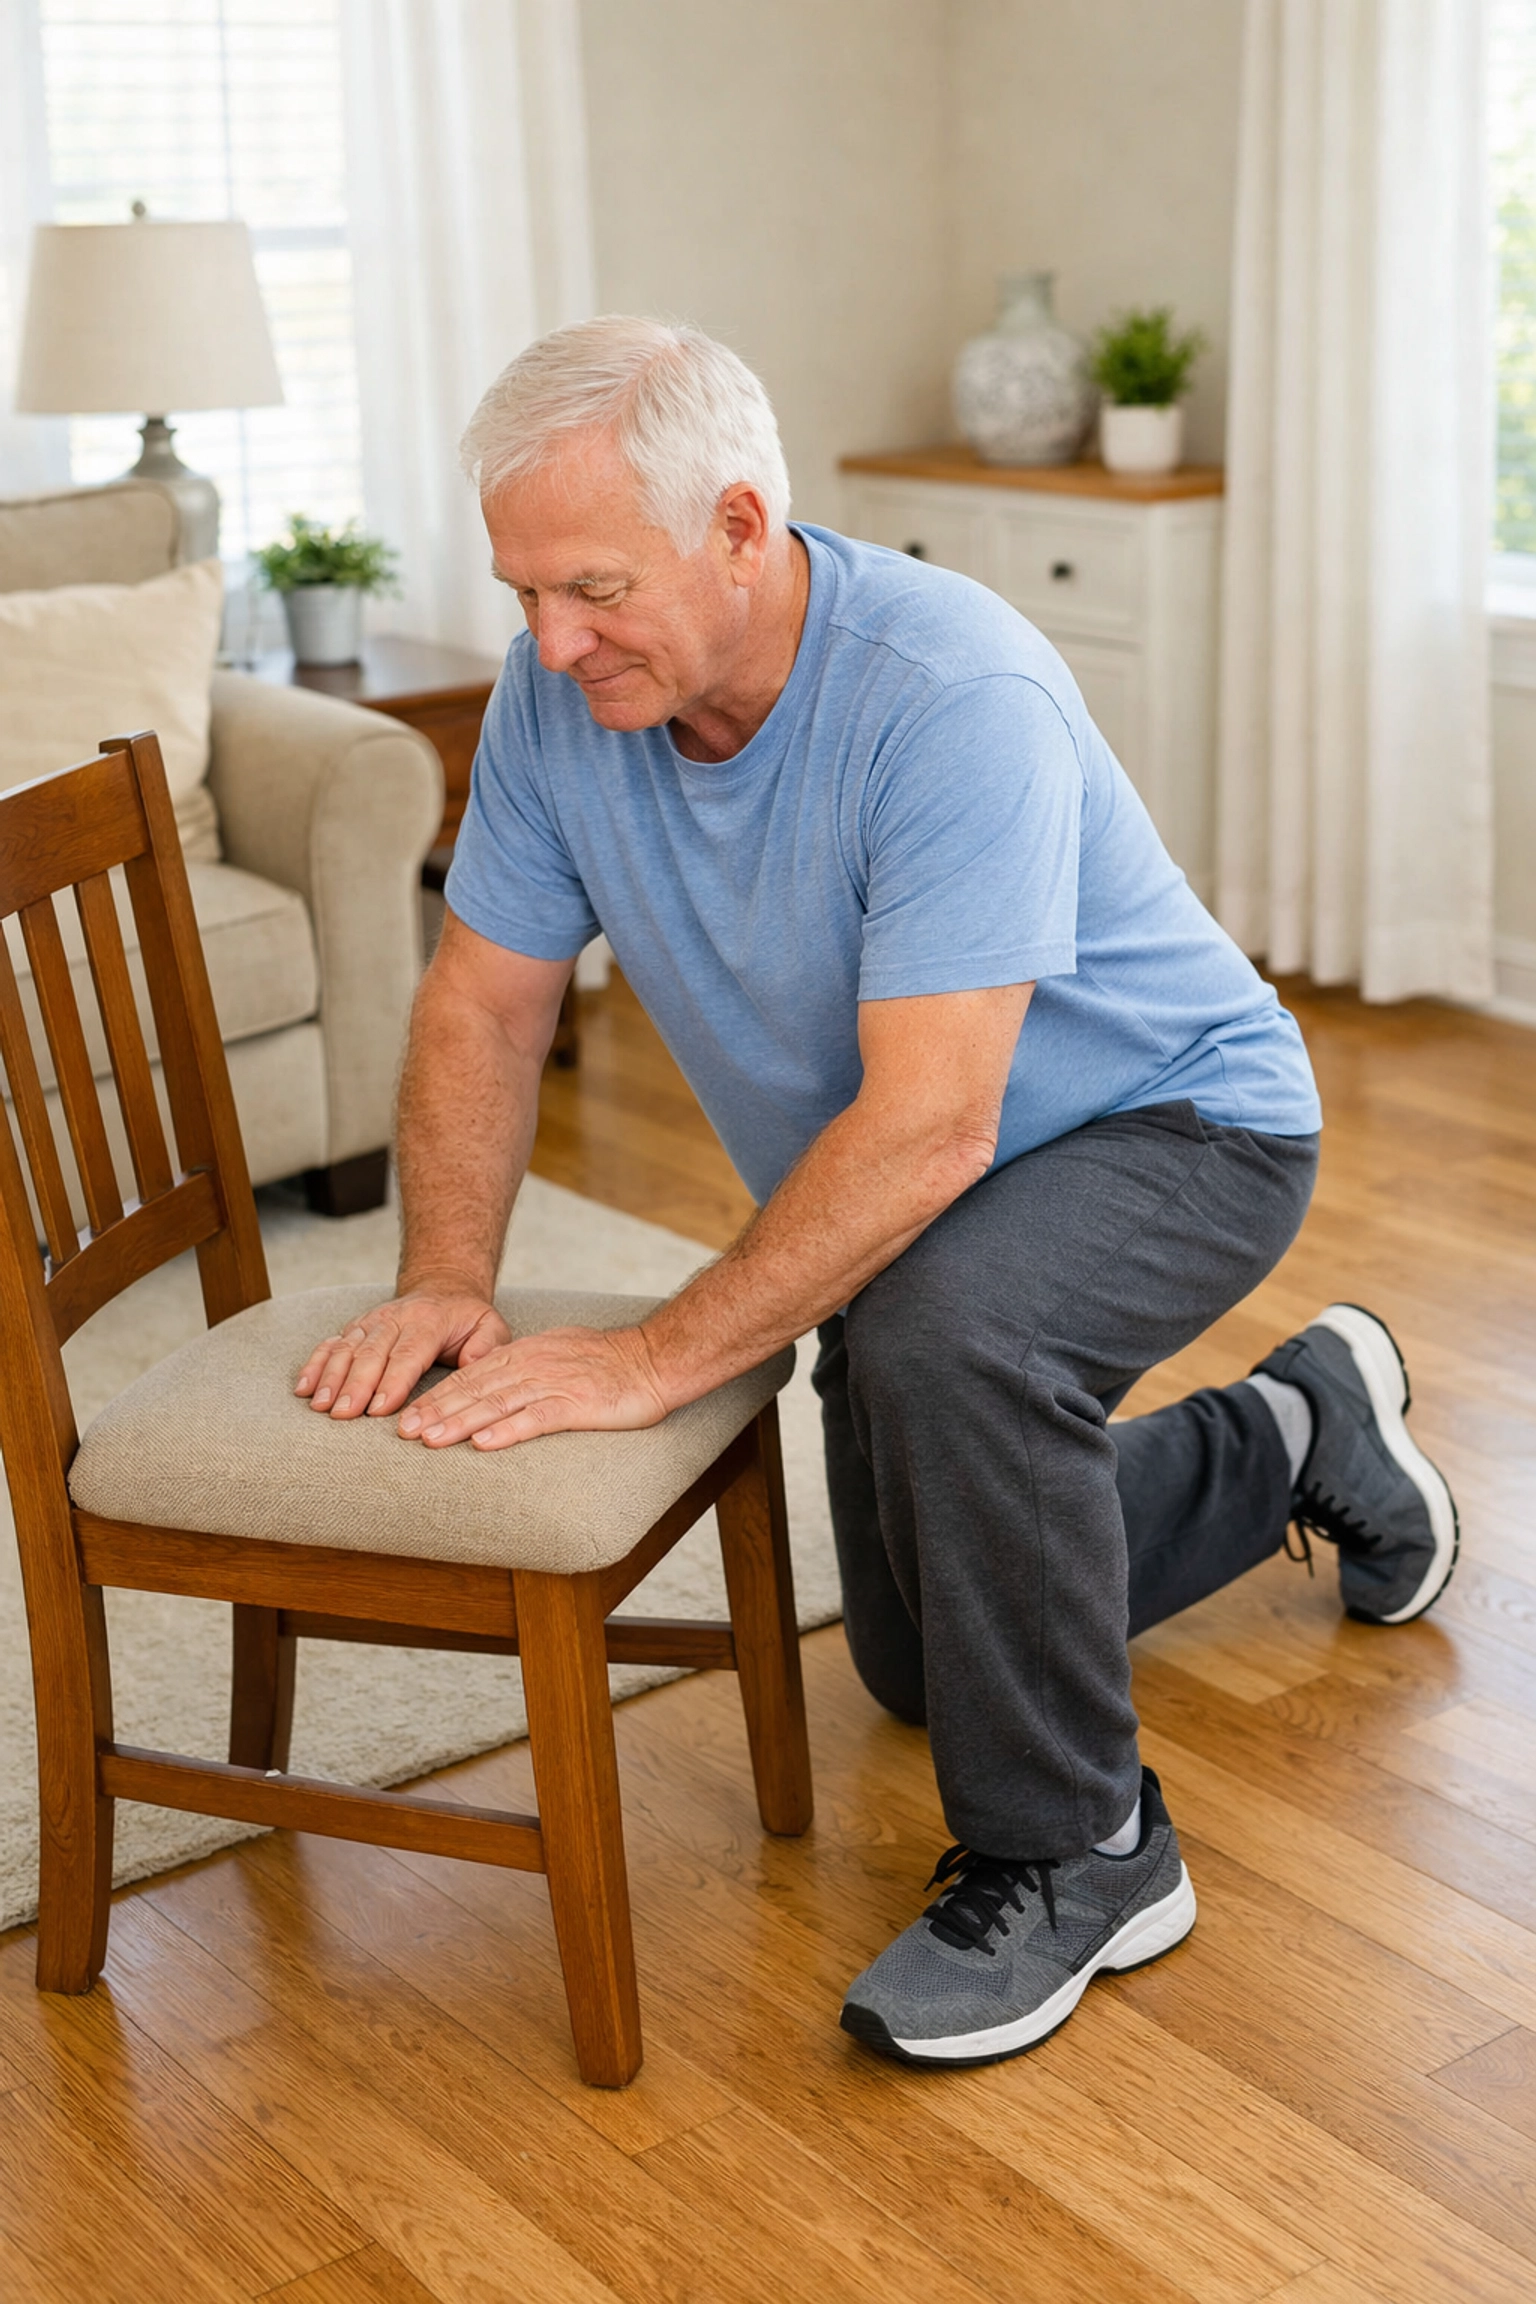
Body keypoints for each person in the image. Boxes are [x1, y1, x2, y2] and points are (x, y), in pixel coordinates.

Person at [295, 317, 1459, 2070]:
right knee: (925, 1660)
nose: (550, 641)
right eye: (523, 590)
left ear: (743, 526)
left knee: (940, 1341)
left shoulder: (945, 690)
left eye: (594, 587)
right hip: (941, 1169)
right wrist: (448, 1271)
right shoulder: (558, 703)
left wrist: (653, 1355)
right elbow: (483, 997)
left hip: (1175, 1120)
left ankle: (1083, 1850)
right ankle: (1301, 1433)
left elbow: (931, 1128)